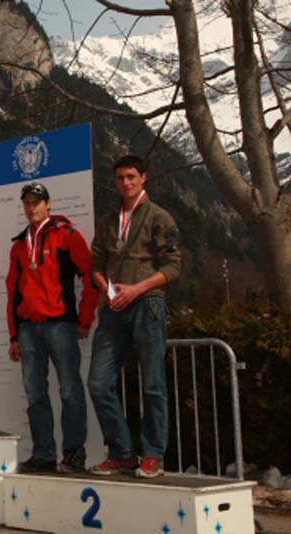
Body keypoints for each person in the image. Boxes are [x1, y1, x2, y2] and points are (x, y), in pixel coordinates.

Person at [87, 155, 181, 479]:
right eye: (120, 178)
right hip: (113, 308)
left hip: (147, 304)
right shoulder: (108, 220)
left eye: (131, 176)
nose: (125, 183)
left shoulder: (159, 217)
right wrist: (108, 289)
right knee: (98, 383)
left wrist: (137, 289)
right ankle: (122, 453)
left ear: (144, 177)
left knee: (153, 383)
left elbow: (173, 266)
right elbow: (96, 264)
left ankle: (153, 455)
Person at [5, 183, 99, 473]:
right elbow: (13, 293)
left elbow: (91, 277)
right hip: (28, 329)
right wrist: (13, 335)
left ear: (48, 204)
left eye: (36, 202)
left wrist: (85, 319)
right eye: (27, 203)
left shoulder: (67, 236)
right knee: (35, 394)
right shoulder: (19, 245)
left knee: (70, 390)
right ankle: (43, 454)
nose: (31, 207)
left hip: (61, 326)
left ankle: (74, 454)